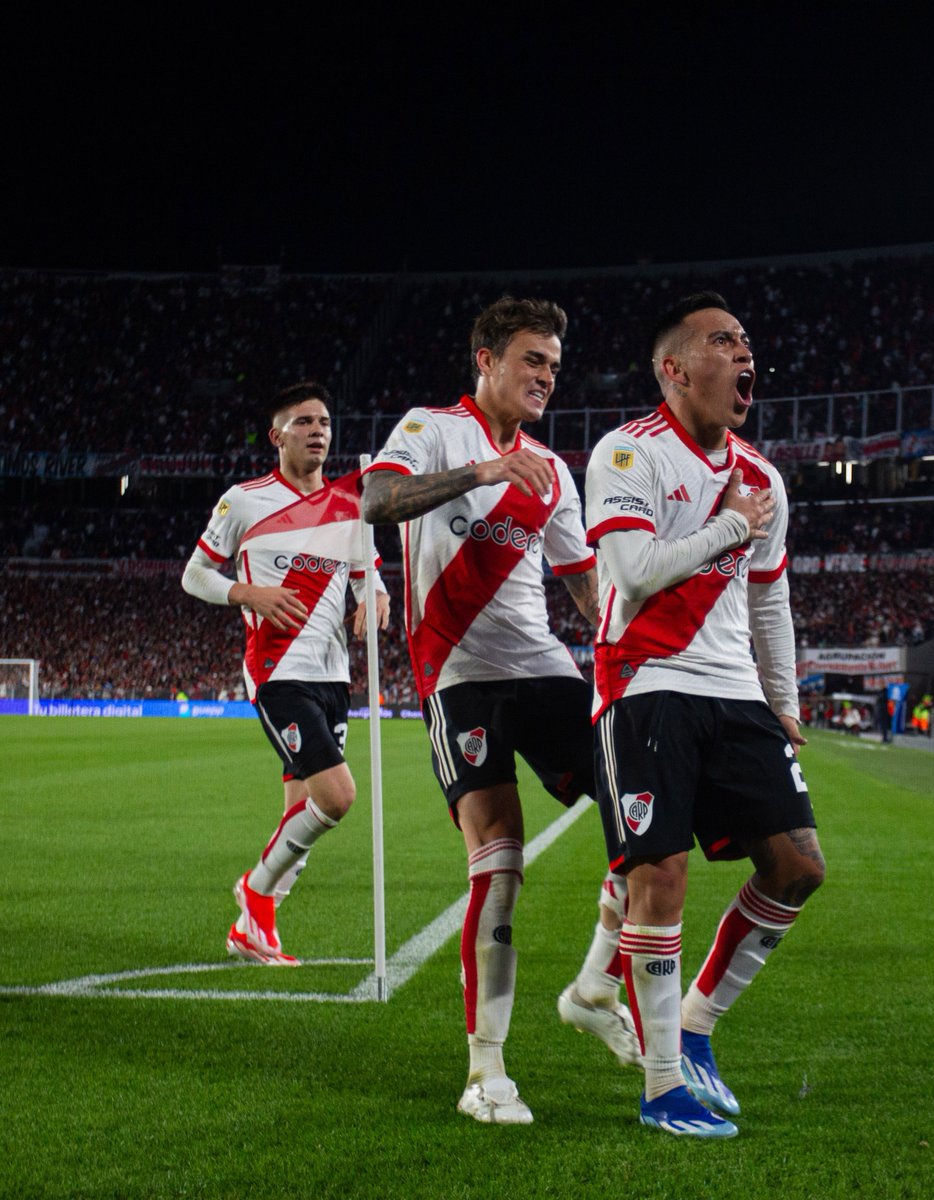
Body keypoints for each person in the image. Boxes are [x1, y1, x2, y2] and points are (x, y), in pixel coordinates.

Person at [361, 296, 638, 1127]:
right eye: (531, 361)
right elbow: (377, 502)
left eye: (553, 364)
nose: (546, 377)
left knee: (648, 816)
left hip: (546, 671)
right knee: (501, 863)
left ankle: (594, 986)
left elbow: (583, 583)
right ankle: (486, 1073)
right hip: (459, 676)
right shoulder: (432, 429)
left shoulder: (553, 470)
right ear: (484, 360)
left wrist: (629, 645)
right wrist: (482, 473)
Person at [585, 292, 825, 1139]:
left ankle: (694, 1027)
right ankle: (659, 1088)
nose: (746, 355)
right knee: (661, 878)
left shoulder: (764, 477)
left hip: (735, 693)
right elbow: (636, 570)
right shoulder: (627, 453)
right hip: (645, 684)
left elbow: (772, 602)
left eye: (748, 342)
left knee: (798, 867)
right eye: (725, 342)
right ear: (675, 368)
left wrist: (785, 704)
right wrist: (728, 526)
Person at [182, 381, 390, 964]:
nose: (317, 431)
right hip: (277, 670)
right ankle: (256, 890)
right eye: (303, 422)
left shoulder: (351, 503)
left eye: (324, 421)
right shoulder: (244, 501)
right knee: (337, 796)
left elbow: (365, 574)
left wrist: (375, 596)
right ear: (277, 435)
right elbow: (194, 575)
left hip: (333, 675)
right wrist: (250, 593)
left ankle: (253, 930)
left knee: (298, 814)